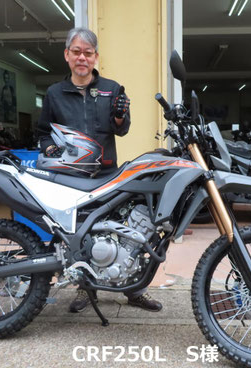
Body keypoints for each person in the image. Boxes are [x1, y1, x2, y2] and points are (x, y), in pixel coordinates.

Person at [36, 27, 163, 313]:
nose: (82, 57)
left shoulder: (112, 88)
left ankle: (134, 290)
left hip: (107, 174)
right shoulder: (55, 93)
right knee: (79, 235)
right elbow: (43, 134)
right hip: (71, 178)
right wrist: (50, 149)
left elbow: (122, 129)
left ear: (95, 57)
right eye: (77, 52)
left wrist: (119, 116)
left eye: (88, 53)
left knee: (127, 232)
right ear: (67, 55)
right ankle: (86, 288)